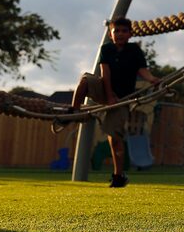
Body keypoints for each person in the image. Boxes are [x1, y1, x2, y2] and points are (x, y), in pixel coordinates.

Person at [63, 16, 161, 188]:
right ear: (111, 33)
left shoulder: (135, 51)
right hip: (105, 90)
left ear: (130, 34)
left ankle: (118, 175)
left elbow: (143, 71)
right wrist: (109, 97)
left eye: (124, 31)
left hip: (123, 99)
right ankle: (74, 111)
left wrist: (153, 79)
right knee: (85, 79)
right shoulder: (106, 49)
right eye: (117, 31)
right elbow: (105, 74)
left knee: (114, 138)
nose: (120, 34)